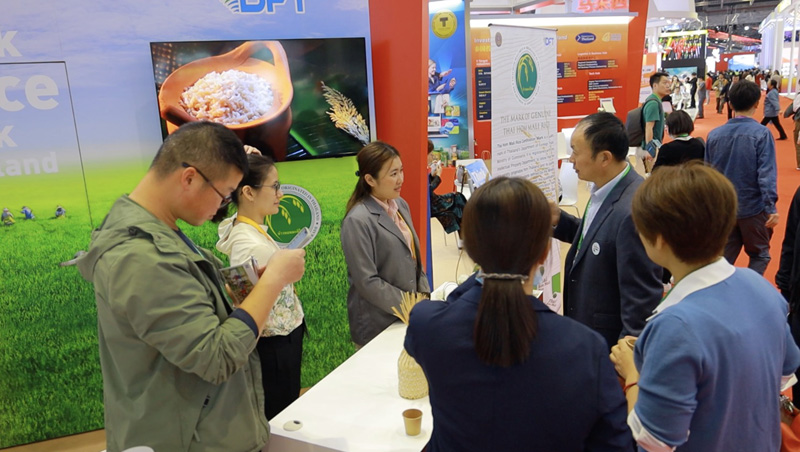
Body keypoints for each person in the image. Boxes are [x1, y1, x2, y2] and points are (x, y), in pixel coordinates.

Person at [76, 121, 306, 452]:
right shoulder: (142, 258)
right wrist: (273, 281)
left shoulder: (161, 234)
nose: (222, 207)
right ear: (189, 178)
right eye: (224, 195)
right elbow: (216, 357)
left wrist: (242, 284)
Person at [406, 177, 632, 452]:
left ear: (471, 249)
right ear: (545, 251)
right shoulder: (586, 348)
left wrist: (488, 270)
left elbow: (452, 306)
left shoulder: (428, 326)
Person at [610, 162, 800, 451]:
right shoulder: (762, 288)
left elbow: (654, 440)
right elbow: (784, 374)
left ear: (659, 239)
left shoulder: (674, 325)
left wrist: (634, 374)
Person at [551, 112, 663, 348]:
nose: (571, 159)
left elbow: (641, 300)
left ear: (604, 158)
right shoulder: (604, 188)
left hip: (607, 346)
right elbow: (600, 238)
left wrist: (625, 356)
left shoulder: (633, 211)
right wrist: (558, 220)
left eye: (576, 152)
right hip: (588, 335)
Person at [215, 153, 306, 420]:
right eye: (274, 186)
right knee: (278, 415)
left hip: (280, 339)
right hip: (273, 346)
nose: (280, 194)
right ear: (248, 192)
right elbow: (246, 300)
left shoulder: (246, 229)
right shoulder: (248, 243)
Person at [340, 141, 430, 347]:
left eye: (401, 171)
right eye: (393, 174)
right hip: (377, 324)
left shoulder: (400, 205)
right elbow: (367, 281)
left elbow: (414, 259)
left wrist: (424, 299)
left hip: (410, 315)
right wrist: (410, 305)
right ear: (370, 179)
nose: (400, 179)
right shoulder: (358, 220)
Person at [706, 80, 779, 275]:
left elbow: (707, 175)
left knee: (722, 260)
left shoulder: (714, 135)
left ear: (730, 104)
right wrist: (771, 206)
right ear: (757, 103)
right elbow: (766, 173)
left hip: (724, 209)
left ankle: (718, 290)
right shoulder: (762, 134)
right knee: (760, 255)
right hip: (753, 207)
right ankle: (750, 289)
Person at [427, 140, 466, 235]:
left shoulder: (422, 167)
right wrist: (438, 176)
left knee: (458, 197)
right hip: (431, 203)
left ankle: (464, 232)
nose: (432, 156)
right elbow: (427, 190)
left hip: (432, 200)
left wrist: (432, 175)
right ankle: (465, 232)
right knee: (458, 201)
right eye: (430, 154)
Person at [640, 72, 670, 173]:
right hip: (652, 150)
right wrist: (650, 151)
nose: (668, 85)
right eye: (664, 83)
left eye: (668, 83)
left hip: (656, 146)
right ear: (655, 85)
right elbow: (649, 127)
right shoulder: (653, 103)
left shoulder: (656, 101)